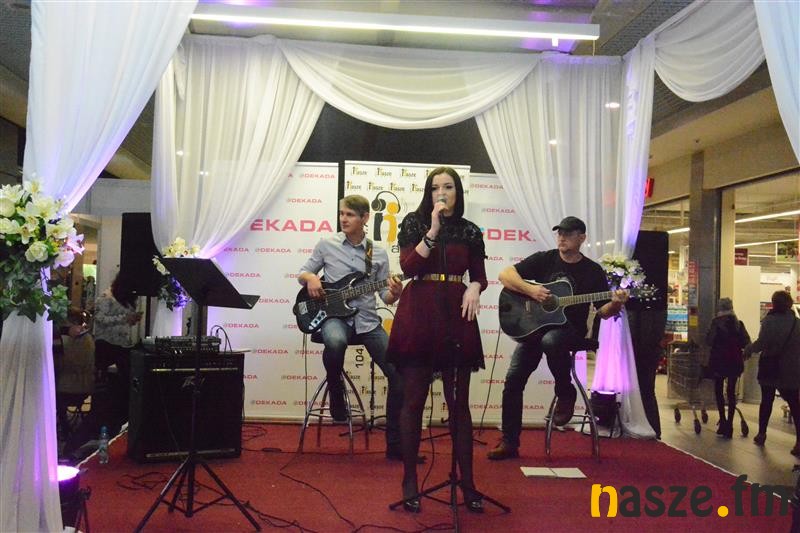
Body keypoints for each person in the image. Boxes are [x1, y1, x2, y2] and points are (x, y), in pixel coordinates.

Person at [386, 167, 487, 513]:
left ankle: (468, 483)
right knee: (413, 400)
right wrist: (432, 230)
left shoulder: (470, 230)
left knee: (459, 405)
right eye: (435, 188)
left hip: (457, 316)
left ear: (458, 192)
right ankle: (409, 480)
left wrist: (474, 287)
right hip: (419, 315)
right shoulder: (414, 223)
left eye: (448, 187)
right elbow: (409, 267)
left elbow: (480, 276)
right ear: (428, 194)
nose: (441, 193)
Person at [488, 216, 628, 460]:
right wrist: (531, 290)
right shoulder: (545, 258)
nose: (562, 237)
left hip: (570, 333)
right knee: (513, 380)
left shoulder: (592, 271)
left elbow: (604, 312)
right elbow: (505, 275)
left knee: (552, 340)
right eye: (559, 233)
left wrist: (616, 304)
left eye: (568, 233)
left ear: (582, 238)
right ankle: (510, 442)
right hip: (534, 330)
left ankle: (565, 391)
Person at [298, 194, 405, 460]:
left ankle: (395, 443)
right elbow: (303, 273)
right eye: (341, 214)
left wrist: (395, 292)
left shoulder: (377, 253)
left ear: (365, 218)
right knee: (335, 342)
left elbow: (385, 297)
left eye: (349, 215)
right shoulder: (327, 244)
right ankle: (336, 394)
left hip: (367, 321)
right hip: (334, 317)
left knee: (398, 373)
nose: (343, 219)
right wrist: (311, 278)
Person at [744, 290, 800, 454]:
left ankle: (762, 434)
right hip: (791, 369)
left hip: (770, 366)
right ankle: (799, 441)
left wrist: (749, 349)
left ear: (774, 304)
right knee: (794, 404)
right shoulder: (797, 323)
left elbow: (762, 342)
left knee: (767, 401)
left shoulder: (769, 321)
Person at [92, 271, 142, 435]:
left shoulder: (124, 300)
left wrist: (131, 319)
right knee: (117, 379)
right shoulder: (106, 297)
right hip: (107, 345)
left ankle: (122, 413)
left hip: (121, 343)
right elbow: (99, 319)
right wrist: (123, 318)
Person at [704, 297, 750, 439]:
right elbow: (746, 341)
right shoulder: (738, 324)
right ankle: (730, 424)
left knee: (719, 391)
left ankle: (722, 421)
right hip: (734, 362)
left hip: (719, 362)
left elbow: (709, 341)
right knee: (731, 392)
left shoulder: (716, 323)